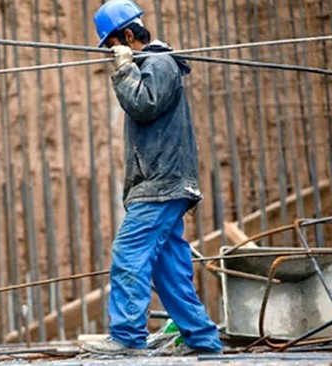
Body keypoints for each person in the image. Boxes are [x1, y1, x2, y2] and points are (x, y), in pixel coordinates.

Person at [82, 0, 222, 356]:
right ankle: (202, 339)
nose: (110, 54)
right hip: (163, 183)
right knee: (169, 269)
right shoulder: (154, 64)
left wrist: (125, 69)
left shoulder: (159, 63)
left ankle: (127, 336)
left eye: (112, 45)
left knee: (129, 253)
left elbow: (143, 105)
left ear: (128, 36)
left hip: (160, 184)